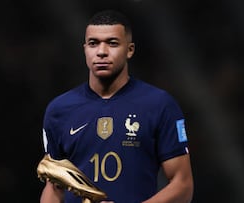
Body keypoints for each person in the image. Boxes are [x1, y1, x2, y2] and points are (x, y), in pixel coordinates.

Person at [39, 9, 194, 203]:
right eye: (93, 43)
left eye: (112, 43)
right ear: (85, 48)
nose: (102, 52)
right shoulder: (59, 110)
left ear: (130, 50)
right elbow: (54, 187)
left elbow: (183, 185)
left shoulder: (159, 105)